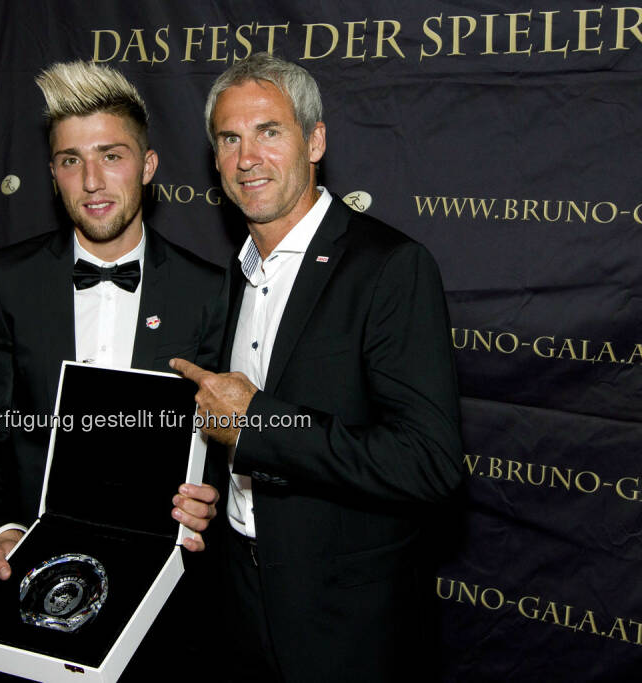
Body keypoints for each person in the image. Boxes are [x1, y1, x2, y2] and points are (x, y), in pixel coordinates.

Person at [170, 53, 463, 682]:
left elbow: (428, 461)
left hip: (346, 622)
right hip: (237, 599)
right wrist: (209, 495)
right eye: (229, 138)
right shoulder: (234, 275)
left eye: (269, 132)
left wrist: (259, 424)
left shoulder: (389, 267)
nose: (247, 158)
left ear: (316, 140)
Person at [0, 59, 222, 643]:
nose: (92, 180)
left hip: (163, 586)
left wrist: (212, 498)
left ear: (147, 166)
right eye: (72, 160)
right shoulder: (7, 278)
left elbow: (222, 440)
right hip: (31, 565)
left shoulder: (208, 290)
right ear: (53, 174)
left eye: (112, 155)